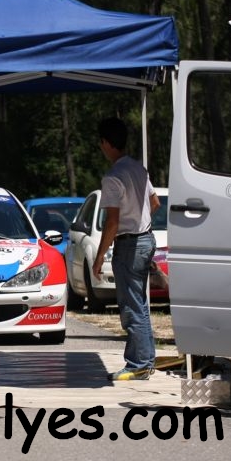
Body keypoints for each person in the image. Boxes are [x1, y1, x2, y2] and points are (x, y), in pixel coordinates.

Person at [92, 116, 160, 381]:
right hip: (146, 239)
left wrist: (99, 257)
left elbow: (112, 222)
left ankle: (138, 363)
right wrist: (140, 220)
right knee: (140, 304)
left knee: (131, 306)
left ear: (107, 143)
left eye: (101, 142)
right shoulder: (138, 169)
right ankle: (145, 359)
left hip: (129, 245)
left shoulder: (113, 177)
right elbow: (154, 203)